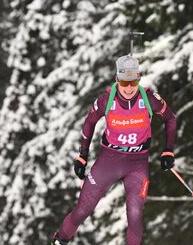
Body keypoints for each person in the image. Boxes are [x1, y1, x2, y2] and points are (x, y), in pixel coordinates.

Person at [50, 55, 177, 245]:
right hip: (109, 160)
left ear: (139, 78)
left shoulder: (149, 99)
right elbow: (89, 122)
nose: (128, 87)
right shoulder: (106, 100)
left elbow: (171, 119)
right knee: (83, 209)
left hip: (138, 164)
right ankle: (60, 240)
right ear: (117, 80)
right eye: (124, 82)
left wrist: (168, 150)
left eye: (133, 81)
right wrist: (82, 156)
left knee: (134, 214)